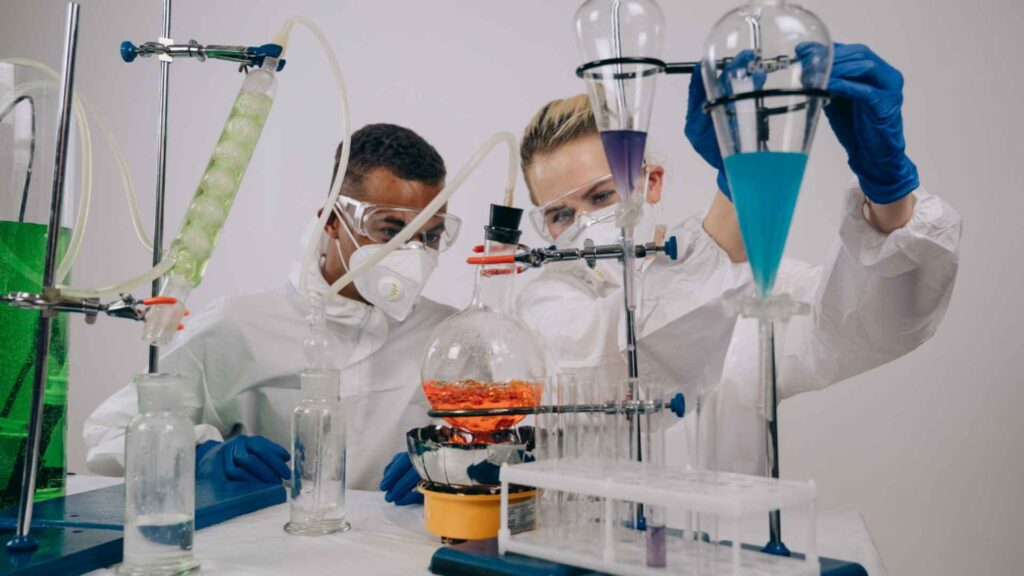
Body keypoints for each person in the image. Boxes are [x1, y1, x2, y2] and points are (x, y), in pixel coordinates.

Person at [517, 43, 962, 474]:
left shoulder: (756, 278)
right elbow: (617, 364)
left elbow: (873, 325)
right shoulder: (544, 303)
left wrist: (889, 191)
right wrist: (740, 184)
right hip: (591, 544)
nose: (585, 223)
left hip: (734, 544)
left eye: (601, 195)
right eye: (560, 213)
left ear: (650, 182)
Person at [85, 124, 459, 500]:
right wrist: (200, 456)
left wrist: (455, 462)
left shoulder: (451, 337)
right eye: (389, 229)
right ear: (331, 219)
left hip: (398, 550)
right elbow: (109, 434)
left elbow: (505, 448)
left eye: (430, 236)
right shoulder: (240, 326)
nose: (413, 254)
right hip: (265, 552)